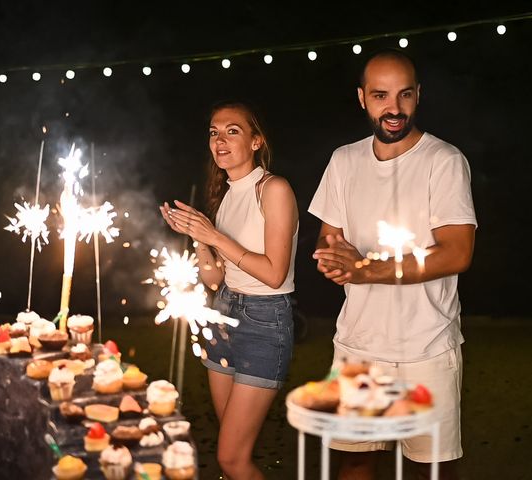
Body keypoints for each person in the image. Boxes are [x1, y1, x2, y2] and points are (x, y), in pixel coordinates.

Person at [308, 48, 477, 480]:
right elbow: (330, 239)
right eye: (381, 96)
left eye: (404, 95)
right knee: (356, 460)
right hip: (359, 346)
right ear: (362, 98)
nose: (394, 108)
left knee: (433, 469)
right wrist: (333, 260)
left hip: (427, 347)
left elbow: (457, 252)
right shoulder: (344, 161)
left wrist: (365, 269)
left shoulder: (445, 161)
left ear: (418, 95)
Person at [160, 100, 299, 480]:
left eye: (232, 131)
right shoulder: (226, 196)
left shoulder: (273, 189)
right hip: (223, 313)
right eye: (213, 132)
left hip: (264, 321)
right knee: (232, 447)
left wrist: (214, 235)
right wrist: (198, 237)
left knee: (231, 459)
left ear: (256, 141)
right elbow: (214, 280)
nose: (220, 140)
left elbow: (273, 274)